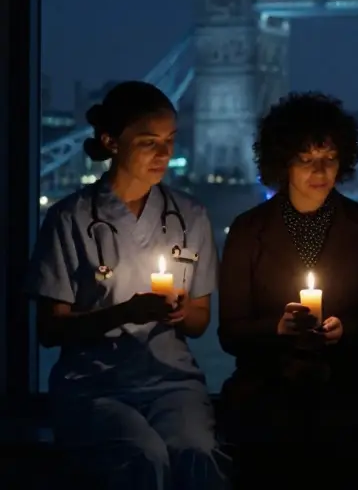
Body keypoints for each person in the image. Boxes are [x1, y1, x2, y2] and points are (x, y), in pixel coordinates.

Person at [26, 80, 226, 489]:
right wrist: (125, 313)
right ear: (111, 142)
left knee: (197, 453)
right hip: (95, 387)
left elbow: (200, 321)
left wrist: (182, 311)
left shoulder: (191, 215)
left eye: (170, 140)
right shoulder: (70, 219)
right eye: (150, 142)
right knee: (141, 456)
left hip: (171, 382)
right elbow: (49, 330)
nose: (165, 154)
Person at [217, 92, 358, 485]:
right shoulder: (248, 230)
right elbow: (230, 332)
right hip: (267, 378)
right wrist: (278, 329)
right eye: (306, 159)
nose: (320, 170)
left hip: (345, 376)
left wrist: (345, 331)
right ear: (283, 163)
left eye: (328, 158)